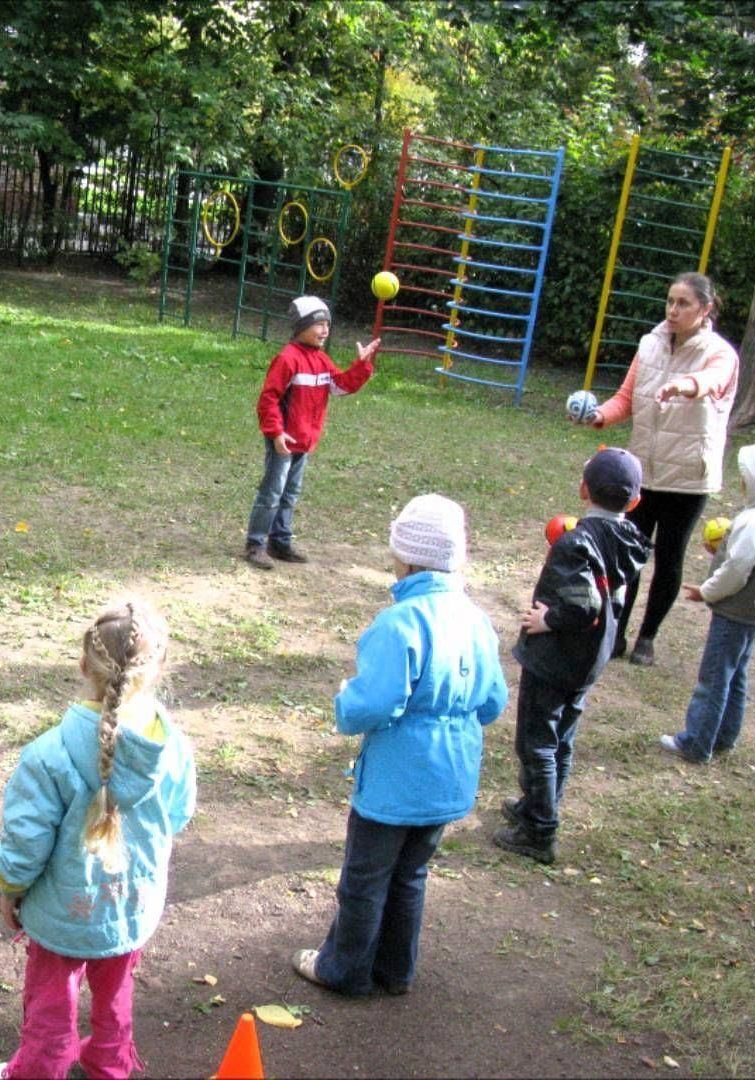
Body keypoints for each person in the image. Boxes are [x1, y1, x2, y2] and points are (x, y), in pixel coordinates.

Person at [292, 495, 507, 995]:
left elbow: (372, 704)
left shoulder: (400, 623)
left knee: (364, 879)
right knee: (412, 873)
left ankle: (343, 969)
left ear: (406, 556)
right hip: (450, 775)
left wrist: (345, 700)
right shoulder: (477, 620)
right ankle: (395, 970)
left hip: (395, 781)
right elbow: (493, 702)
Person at [0, 598, 196, 1079]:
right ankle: (108, 1067)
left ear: (83, 665)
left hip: (60, 916)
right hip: (131, 909)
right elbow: (179, 814)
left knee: (50, 1007)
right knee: (116, 995)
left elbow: (25, 843)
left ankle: (39, 1071)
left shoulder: (48, 754)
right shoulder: (173, 748)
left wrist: (9, 887)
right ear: (159, 668)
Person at [495, 449, 650, 865]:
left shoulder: (576, 543)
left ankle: (539, 830)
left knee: (538, 742)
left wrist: (548, 619)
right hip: (589, 659)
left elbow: (585, 605)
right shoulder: (631, 539)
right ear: (634, 502)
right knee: (562, 737)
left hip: (557, 658)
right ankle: (540, 805)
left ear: (583, 489)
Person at [588, 272, 738, 667]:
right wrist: (599, 415)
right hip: (642, 472)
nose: (673, 310)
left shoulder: (720, 353)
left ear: (705, 309)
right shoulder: (649, 345)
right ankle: (616, 634)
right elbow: (626, 398)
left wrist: (685, 386)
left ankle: (647, 637)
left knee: (669, 558)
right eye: (670, 301)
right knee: (628, 555)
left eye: (683, 303)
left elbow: (713, 381)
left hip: (689, 476)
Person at [659, 444, 755, 764]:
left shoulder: (753, 523)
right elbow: (748, 562)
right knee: (737, 674)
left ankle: (696, 742)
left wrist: (706, 591)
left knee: (715, 676)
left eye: (746, 477)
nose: (742, 483)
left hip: (735, 613)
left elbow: (736, 572)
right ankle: (726, 735)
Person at [244, 295, 379, 570]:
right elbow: (268, 399)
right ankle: (255, 544)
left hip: (304, 441)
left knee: (290, 492)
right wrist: (276, 432)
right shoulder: (287, 359)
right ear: (301, 326)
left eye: (327, 324)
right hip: (284, 440)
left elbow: (340, 386)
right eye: (318, 324)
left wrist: (362, 365)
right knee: (272, 492)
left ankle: (279, 541)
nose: (325, 330)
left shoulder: (321, 360)